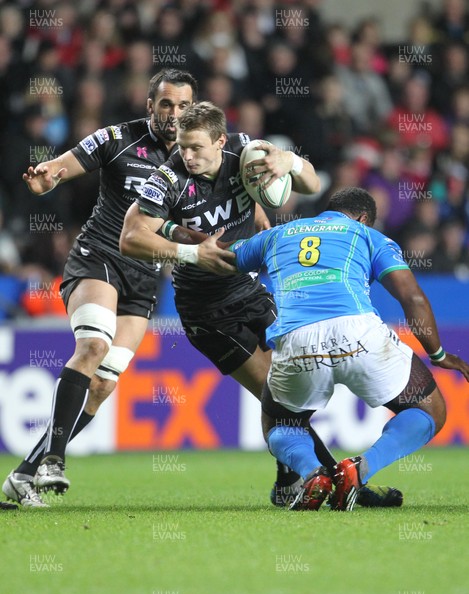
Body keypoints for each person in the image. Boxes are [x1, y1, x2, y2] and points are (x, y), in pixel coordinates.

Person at [120, 104, 403, 510]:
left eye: (196, 147)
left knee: (289, 394)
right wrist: (190, 254)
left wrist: (291, 161)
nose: (187, 155)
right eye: (182, 147)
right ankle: (340, 485)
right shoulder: (168, 178)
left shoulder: (246, 154)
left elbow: (308, 184)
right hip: (206, 310)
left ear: (220, 141)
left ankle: (293, 478)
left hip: (250, 290)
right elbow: (130, 236)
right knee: (278, 394)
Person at [2, 69, 199, 508]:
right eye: (166, 104)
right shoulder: (118, 138)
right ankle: (55, 458)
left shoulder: (195, 159)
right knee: (92, 346)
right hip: (99, 259)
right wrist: (47, 175)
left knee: (104, 383)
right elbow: (63, 165)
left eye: (184, 105)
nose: (174, 114)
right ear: (150, 105)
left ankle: (23, 474)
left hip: (144, 278)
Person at [223, 186, 469, 511]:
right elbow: (413, 298)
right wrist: (438, 354)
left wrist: (172, 233)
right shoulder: (368, 236)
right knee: (429, 409)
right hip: (358, 334)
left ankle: (313, 472)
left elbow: (220, 255)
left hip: (296, 339)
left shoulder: (277, 234)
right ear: (365, 218)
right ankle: (360, 468)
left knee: (279, 424)